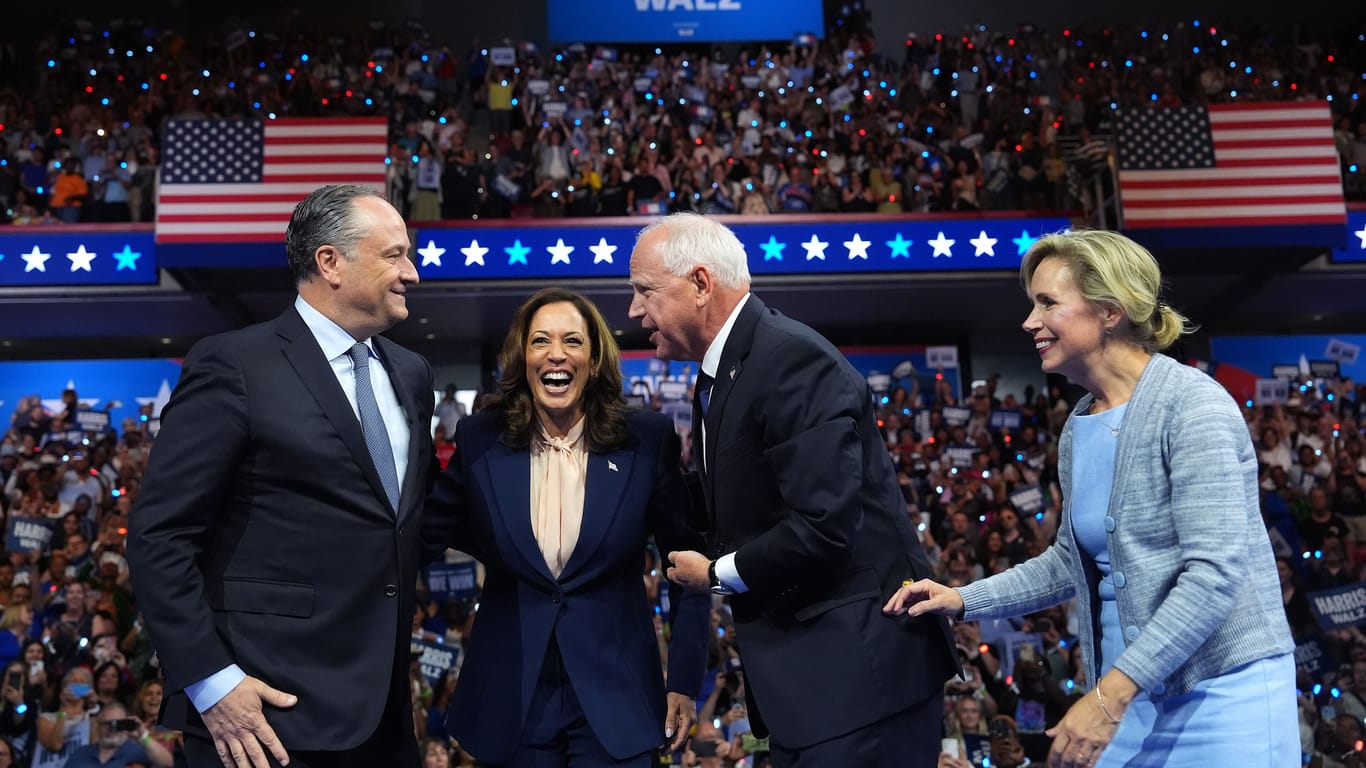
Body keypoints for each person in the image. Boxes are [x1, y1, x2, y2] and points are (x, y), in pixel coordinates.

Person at [885, 229, 1296, 768]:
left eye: (1047, 303)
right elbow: (1071, 559)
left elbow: (1214, 576)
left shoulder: (1193, 405)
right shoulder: (1079, 424)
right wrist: (964, 599)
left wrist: (1110, 696)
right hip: (1126, 698)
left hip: (1221, 696)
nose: (1029, 322)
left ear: (1110, 310)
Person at [628, 213, 956, 767]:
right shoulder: (730, 370)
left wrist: (714, 575)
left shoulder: (788, 360)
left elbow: (824, 527)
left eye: (644, 291)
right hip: (818, 691)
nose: (635, 311)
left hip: (860, 686)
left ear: (701, 284)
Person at [127, 184, 437, 768]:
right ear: (330, 262)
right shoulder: (235, 364)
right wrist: (212, 683)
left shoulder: (411, 372)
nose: (412, 273)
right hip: (261, 719)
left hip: (386, 722)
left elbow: (418, 518)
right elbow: (159, 536)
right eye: (394, 255)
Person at [424, 287, 709, 766]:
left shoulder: (645, 438)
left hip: (616, 698)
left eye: (572, 341)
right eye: (540, 341)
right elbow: (425, 533)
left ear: (594, 361)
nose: (556, 354)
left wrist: (683, 681)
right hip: (511, 700)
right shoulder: (481, 439)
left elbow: (687, 567)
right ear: (523, 357)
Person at [64, 700, 173, 768]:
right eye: (107, 723)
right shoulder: (81, 753)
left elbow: (167, 763)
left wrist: (142, 736)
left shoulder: (138, 751)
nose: (111, 728)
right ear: (97, 725)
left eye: (118, 723)